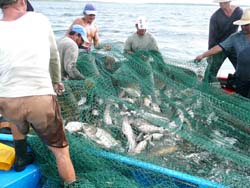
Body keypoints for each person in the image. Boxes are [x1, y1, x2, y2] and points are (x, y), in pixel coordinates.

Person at [0, 0, 78, 187]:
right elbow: (53, 55)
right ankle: (71, 183)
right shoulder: (39, 19)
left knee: (16, 120)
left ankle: (21, 159)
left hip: (7, 98)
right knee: (61, 152)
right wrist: (57, 81)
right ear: (21, 2)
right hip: (40, 97)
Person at [195, 8, 250, 98]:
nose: (243, 27)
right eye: (242, 25)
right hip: (241, 79)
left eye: (246, 25)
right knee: (242, 100)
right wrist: (203, 55)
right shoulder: (235, 37)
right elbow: (220, 47)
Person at [205, 0, 243, 83]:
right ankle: (207, 86)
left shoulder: (238, 12)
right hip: (219, 47)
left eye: (224, 2)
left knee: (243, 68)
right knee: (211, 73)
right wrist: (210, 54)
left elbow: (245, 26)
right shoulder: (215, 17)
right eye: (220, 2)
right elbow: (212, 38)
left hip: (233, 46)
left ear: (229, 2)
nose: (221, 4)